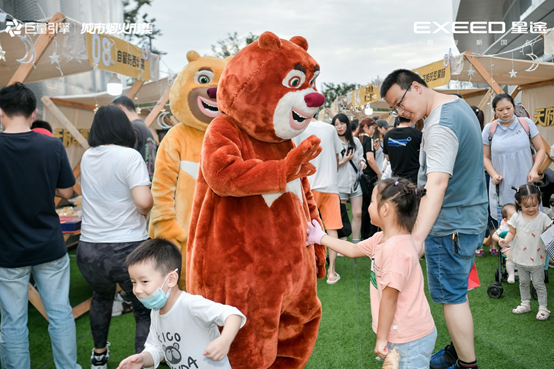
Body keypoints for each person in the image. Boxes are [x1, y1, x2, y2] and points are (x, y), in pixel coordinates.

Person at [381, 69, 488, 369]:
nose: (400, 112)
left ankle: (466, 363)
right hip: (468, 216)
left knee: (452, 297)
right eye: (395, 109)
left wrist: (415, 240)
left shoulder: (439, 124)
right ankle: (457, 352)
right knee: (457, 292)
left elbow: (437, 184)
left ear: (416, 87)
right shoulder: (456, 104)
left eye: (400, 103)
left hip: (450, 224)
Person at [306, 178, 436, 367]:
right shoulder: (381, 238)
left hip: (409, 339)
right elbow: (352, 250)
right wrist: (321, 237)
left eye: (372, 202)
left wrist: (381, 339)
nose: (368, 207)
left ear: (385, 210)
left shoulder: (396, 251)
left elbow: (389, 299)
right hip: (402, 334)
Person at [0, 82, 80, 369]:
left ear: (1, 113)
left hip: (8, 250)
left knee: (13, 319)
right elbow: (68, 192)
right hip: (49, 245)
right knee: (60, 313)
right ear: (33, 113)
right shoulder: (51, 145)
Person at [77, 105, 153, 368]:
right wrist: (147, 206)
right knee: (143, 310)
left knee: (101, 299)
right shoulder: (130, 156)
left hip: (89, 249)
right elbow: (143, 201)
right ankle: (140, 362)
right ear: (124, 128)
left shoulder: (88, 157)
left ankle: (99, 356)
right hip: (128, 248)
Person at [117, 239, 246, 369]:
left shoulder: (191, 305)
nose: (137, 290)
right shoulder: (156, 312)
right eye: (134, 282)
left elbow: (232, 314)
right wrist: (142, 359)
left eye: (144, 281)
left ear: (171, 279)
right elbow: (156, 349)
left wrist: (224, 340)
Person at [482, 94, 546, 257]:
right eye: (500, 110)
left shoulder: (526, 124)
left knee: (531, 219)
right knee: (508, 223)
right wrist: (493, 174)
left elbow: (541, 149)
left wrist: (534, 170)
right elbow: (485, 157)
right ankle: (512, 261)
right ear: (495, 111)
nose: (505, 112)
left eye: (508, 108)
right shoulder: (490, 129)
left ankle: (534, 257)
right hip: (502, 186)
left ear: (514, 107)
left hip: (526, 183)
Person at [292, 117, 343, 284]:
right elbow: (336, 158)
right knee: (332, 229)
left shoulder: (299, 128)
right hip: (330, 186)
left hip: (308, 185)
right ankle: (332, 272)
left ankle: (306, 271)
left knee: (303, 229)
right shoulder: (330, 129)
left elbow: (295, 157)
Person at [499, 184, 551, 320]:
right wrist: (505, 241)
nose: (531, 209)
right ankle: (525, 304)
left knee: (538, 284)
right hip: (520, 258)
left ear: (539, 201)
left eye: (535, 205)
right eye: (527, 206)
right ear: (518, 203)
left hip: (537, 257)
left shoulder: (543, 218)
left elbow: (550, 233)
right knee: (523, 282)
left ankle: (543, 307)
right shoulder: (516, 217)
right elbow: (511, 232)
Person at [333, 113, 366, 244]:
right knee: (342, 215)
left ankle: (356, 242)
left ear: (347, 124)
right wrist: (344, 160)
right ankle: (343, 240)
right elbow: (330, 165)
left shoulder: (355, 141)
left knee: (357, 213)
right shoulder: (333, 142)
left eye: (341, 123)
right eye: (336, 124)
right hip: (339, 183)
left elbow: (361, 157)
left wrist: (362, 163)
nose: (339, 127)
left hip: (355, 183)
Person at [113, 95, 157, 181]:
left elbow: (126, 159)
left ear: (120, 108)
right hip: (148, 182)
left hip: (136, 184)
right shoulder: (145, 129)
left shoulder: (132, 128)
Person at [357, 118, 380, 239]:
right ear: (365, 127)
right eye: (372, 128)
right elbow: (370, 159)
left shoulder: (357, 139)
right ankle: (370, 235)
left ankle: (363, 235)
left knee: (363, 207)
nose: (373, 130)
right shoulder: (368, 139)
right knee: (372, 205)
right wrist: (380, 174)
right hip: (370, 177)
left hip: (361, 177)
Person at [383, 116, 422, 184]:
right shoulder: (418, 134)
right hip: (414, 179)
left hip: (396, 179)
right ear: (413, 119)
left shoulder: (388, 135)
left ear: (398, 119)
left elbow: (387, 157)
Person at [492, 203, 517, 283]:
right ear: (506, 220)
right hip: (507, 247)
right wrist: (499, 239)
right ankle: (511, 274)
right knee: (510, 256)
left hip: (520, 247)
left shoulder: (520, 225)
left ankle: (526, 272)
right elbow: (494, 235)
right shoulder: (504, 227)